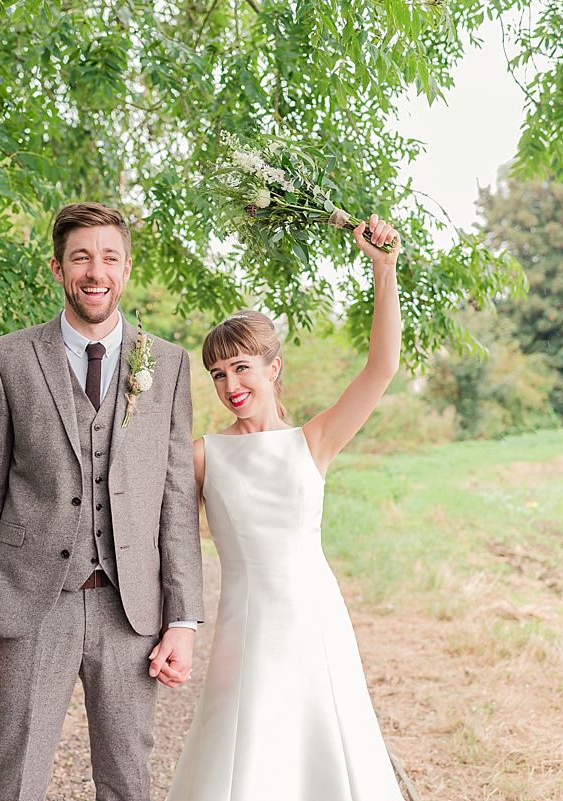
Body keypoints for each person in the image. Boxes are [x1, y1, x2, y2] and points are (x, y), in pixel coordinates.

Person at [0, 202, 205, 801]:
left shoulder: (167, 365)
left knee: (127, 779)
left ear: (124, 270)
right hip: (30, 605)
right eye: (82, 257)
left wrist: (184, 619)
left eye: (109, 257)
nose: (96, 270)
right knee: (16, 777)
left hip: (131, 611)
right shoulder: (8, 359)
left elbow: (175, 500)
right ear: (58, 267)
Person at [166, 215, 404, 800]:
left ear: (274, 368)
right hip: (247, 623)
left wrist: (384, 268)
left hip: (315, 615)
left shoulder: (313, 441)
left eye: (242, 367)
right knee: (243, 748)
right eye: (219, 374)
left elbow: (382, 368)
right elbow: (159, 533)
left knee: (326, 743)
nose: (230, 384)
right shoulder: (204, 456)